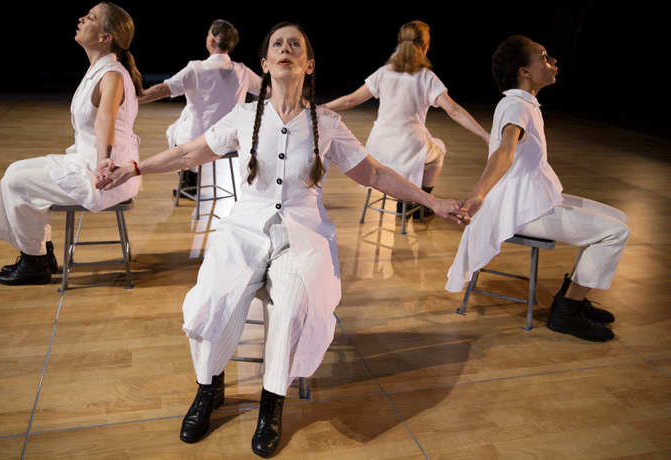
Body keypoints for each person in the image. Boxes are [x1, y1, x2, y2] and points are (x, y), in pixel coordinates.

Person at [98, 22, 467, 457]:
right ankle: (208, 388)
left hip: (303, 232)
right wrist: (133, 168)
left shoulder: (326, 123)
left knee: (294, 307)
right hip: (245, 228)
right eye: (277, 44)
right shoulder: (245, 117)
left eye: (296, 45)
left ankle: (271, 403)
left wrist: (432, 200)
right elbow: (187, 152)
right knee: (213, 297)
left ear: (309, 65)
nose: (286, 49)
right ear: (265, 63)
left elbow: (376, 173)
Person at [446, 35, 630, 342]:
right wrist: (478, 193)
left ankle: (570, 297)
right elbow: (505, 151)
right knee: (616, 232)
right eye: (544, 57)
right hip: (519, 210)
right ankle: (567, 312)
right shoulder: (517, 105)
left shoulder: (522, 103)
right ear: (525, 72)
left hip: (530, 199)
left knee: (619, 219)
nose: (553, 61)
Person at [0, 2, 143, 286]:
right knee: (14, 171)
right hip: (85, 162)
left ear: (105, 37)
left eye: (91, 17)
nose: (81, 18)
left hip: (105, 175)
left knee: (16, 182)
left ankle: (34, 262)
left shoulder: (112, 75)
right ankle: (40, 254)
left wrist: (103, 160)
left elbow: (104, 119)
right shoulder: (100, 69)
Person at [322, 20, 489, 216]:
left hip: (377, 148)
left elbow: (349, 100)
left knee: (430, 147)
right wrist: (486, 135)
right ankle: (421, 203)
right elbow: (454, 111)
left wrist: (318, 108)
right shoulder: (426, 78)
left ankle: (411, 201)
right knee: (439, 151)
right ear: (425, 47)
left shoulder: (384, 73)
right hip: (408, 148)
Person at [138, 19, 262, 194]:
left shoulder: (197, 69)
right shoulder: (242, 71)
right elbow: (267, 90)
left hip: (199, 143)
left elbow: (163, 90)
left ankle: (189, 180)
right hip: (230, 143)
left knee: (175, 130)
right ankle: (190, 179)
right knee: (186, 119)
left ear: (211, 41)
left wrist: (135, 99)